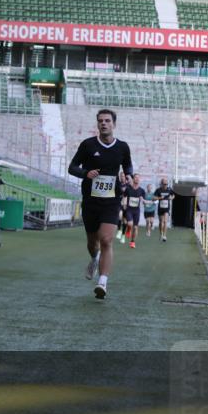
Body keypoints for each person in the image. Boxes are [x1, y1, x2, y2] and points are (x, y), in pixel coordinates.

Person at [68, 109, 133, 299]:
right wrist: (85, 173)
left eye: (107, 121)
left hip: (111, 201)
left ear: (114, 124)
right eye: (100, 121)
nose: (103, 124)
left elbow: (128, 167)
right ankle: (94, 258)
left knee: (106, 240)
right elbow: (72, 167)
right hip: (90, 200)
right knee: (92, 243)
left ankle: (103, 282)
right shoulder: (88, 145)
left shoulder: (122, 147)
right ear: (97, 124)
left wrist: (127, 176)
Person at [123, 173, 146, 249]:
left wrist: (144, 201)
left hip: (136, 211)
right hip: (129, 209)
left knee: (135, 228)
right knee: (130, 224)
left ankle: (132, 242)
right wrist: (124, 203)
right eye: (135, 178)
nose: (137, 179)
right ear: (133, 179)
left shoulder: (142, 190)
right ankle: (128, 229)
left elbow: (142, 198)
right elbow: (124, 196)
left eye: (138, 178)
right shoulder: (128, 188)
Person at [153, 178, 175, 242]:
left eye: (166, 184)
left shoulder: (169, 189)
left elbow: (173, 195)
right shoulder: (158, 190)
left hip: (166, 208)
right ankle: (161, 234)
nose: (165, 185)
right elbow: (153, 198)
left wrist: (171, 198)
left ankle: (165, 235)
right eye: (164, 184)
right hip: (160, 208)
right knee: (161, 222)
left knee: (165, 221)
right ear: (161, 184)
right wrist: (160, 198)